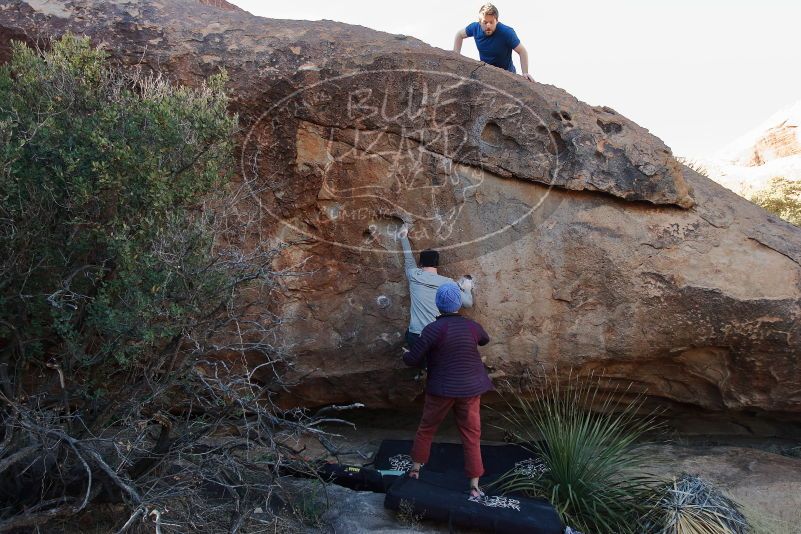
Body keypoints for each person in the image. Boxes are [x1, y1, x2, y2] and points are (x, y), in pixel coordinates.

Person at [403, 282, 492, 498]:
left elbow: (413, 360)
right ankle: (474, 485)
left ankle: (415, 471)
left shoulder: (433, 329)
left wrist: (405, 353)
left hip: (442, 389)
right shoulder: (471, 326)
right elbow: (485, 339)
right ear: (459, 304)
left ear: (437, 304)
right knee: (471, 434)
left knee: (427, 428)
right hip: (470, 388)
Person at [398, 222, 473, 349]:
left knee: (410, 337)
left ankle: (421, 363)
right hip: (437, 335)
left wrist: (403, 237)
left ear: (420, 263)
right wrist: (467, 289)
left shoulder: (413, 275)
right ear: (437, 264)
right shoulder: (448, 283)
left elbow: (408, 259)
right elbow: (468, 304)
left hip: (416, 336)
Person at [453, 3, 535, 82]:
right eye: (485, 22)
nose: (488, 25)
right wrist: (456, 56)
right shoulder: (475, 28)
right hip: (486, 72)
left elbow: (522, 51)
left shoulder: (506, 32)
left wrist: (525, 72)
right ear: (479, 22)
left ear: (497, 21)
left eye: (491, 22)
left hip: (507, 75)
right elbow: (459, 35)